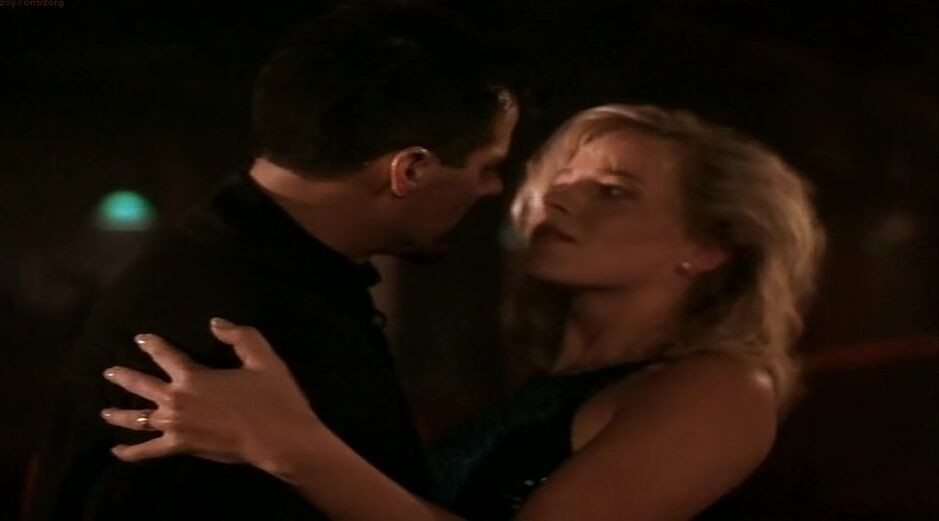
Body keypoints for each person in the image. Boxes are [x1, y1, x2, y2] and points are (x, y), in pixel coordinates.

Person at [99, 104, 826, 520]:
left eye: (612, 192)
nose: (558, 198)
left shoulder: (720, 386)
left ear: (708, 247)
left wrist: (288, 443)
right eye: (561, 179)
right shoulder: (554, 379)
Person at [27, 5, 519, 521]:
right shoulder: (242, 318)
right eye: (488, 167)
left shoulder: (251, 265)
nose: (492, 188)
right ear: (410, 170)